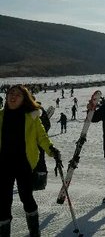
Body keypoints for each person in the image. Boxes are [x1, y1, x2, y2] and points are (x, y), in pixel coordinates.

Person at [0, 85, 62, 237]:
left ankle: (34, 231)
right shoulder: (0, 116)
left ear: (24, 99)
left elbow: (41, 137)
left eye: (18, 95)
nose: (13, 96)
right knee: (2, 202)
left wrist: (51, 149)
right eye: (10, 93)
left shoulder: (32, 117)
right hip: (3, 165)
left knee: (26, 197)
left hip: (24, 164)